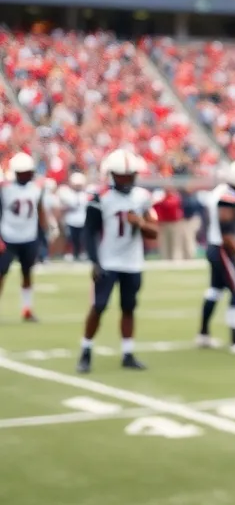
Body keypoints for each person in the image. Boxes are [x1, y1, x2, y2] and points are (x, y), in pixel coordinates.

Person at [77, 150, 159, 373]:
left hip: (132, 262)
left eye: (130, 175)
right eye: (122, 176)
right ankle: (85, 351)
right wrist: (95, 261)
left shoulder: (142, 197)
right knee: (99, 306)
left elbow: (154, 232)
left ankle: (128, 353)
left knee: (129, 307)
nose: (127, 180)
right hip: (108, 261)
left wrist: (140, 223)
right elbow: (89, 232)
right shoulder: (99, 198)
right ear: (111, 175)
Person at [197, 161, 235, 354]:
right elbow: (227, 232)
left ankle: (203, 334)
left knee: (214, 290)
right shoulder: (228, 196)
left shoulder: (223, 191)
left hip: (216, 246)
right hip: (223, 248)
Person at [0, 152, 47, 322]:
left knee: (27, 273)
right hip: (7, 237)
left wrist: (44, 233)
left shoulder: (37, 187)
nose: (25, 176)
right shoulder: (4, 188)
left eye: (27, 172)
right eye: (22, 172)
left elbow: (40, 210)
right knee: (1, 274)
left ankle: (27, 309)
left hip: (29, 236)